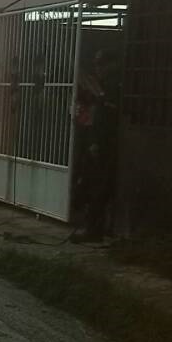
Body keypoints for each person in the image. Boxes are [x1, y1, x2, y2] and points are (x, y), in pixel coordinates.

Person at [73, 49, 120, 241]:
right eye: (96, 64)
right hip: (98, 141)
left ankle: (94, 230)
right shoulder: (104, 86)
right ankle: (95, 226)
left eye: (100, 64)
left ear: (111, 64)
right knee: (95, 184)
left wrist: (96, 141)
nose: (97, 68)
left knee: (99, 187)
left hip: (106, 143)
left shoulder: (112, 86)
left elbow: (107, 118)